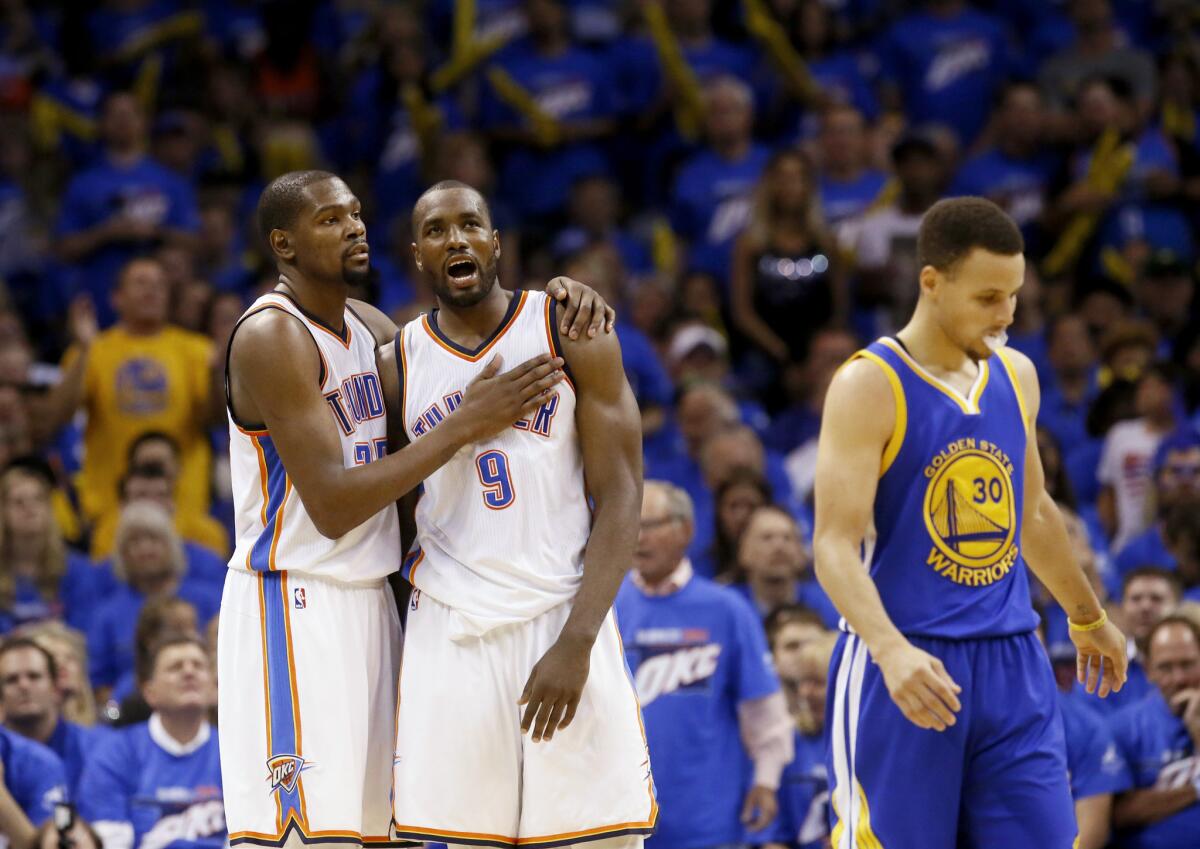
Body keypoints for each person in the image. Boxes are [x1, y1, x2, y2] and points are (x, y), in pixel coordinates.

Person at [219, 169, 611, 847]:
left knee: (380, 834)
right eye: (331, 219)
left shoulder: (369, 327)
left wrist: (563, 298)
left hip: (373, 601)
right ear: (283, 243)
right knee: (300, 835)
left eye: (357, 214)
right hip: (295, 604)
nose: (354, 227)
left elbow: (455, 340)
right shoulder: (271, 336)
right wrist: (464, 424)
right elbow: (336, 505)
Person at [812, 196, 1128, 847]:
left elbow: (1034, 511)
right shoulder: (868, 384)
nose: (1006, 313)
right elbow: (833, 546)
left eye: (1013, 295)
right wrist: (890, 650)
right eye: (988, 297)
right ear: (932, 282)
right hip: (906, 662)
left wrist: (1088, 615)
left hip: (1014, 660)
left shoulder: (1018, 374)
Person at [389, 180, 653, 846]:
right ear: (418, 255)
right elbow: (389, 505)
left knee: (601, 838)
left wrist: (579, 638)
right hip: (451, 628)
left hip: (561, 615)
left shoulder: (569, 328)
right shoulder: (397, 360)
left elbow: (621, 493)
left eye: (471, 224)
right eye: (437, 230)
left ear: (496, 242)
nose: (457, 239)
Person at [615, 481, 792, 849]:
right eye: (630, 523)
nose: (638, 537)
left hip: (709, 820)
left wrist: (766, 780)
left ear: (686, 530)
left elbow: (764, 710)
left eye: (650, 525)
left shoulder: (727, 610)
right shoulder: (605, 608)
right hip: (619, 818)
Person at [77, 635, 225, 849]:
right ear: (150, 693)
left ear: (214, 689)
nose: (189, 672)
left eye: (199, 666)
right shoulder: (115, 753)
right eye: (175, 667)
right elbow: (108, 842)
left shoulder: (235, 754)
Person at [1109, 615, 1200, 847]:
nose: (1179, 678)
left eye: (1188, 664)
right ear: (1148, 669)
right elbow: (1119, 814)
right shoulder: (1123, 726)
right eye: (1165, 667)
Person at [0, 636, 100, 796]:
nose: (24, 686)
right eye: (12, 680)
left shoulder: (96, 748)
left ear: (55, 687)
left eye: (34, 676)